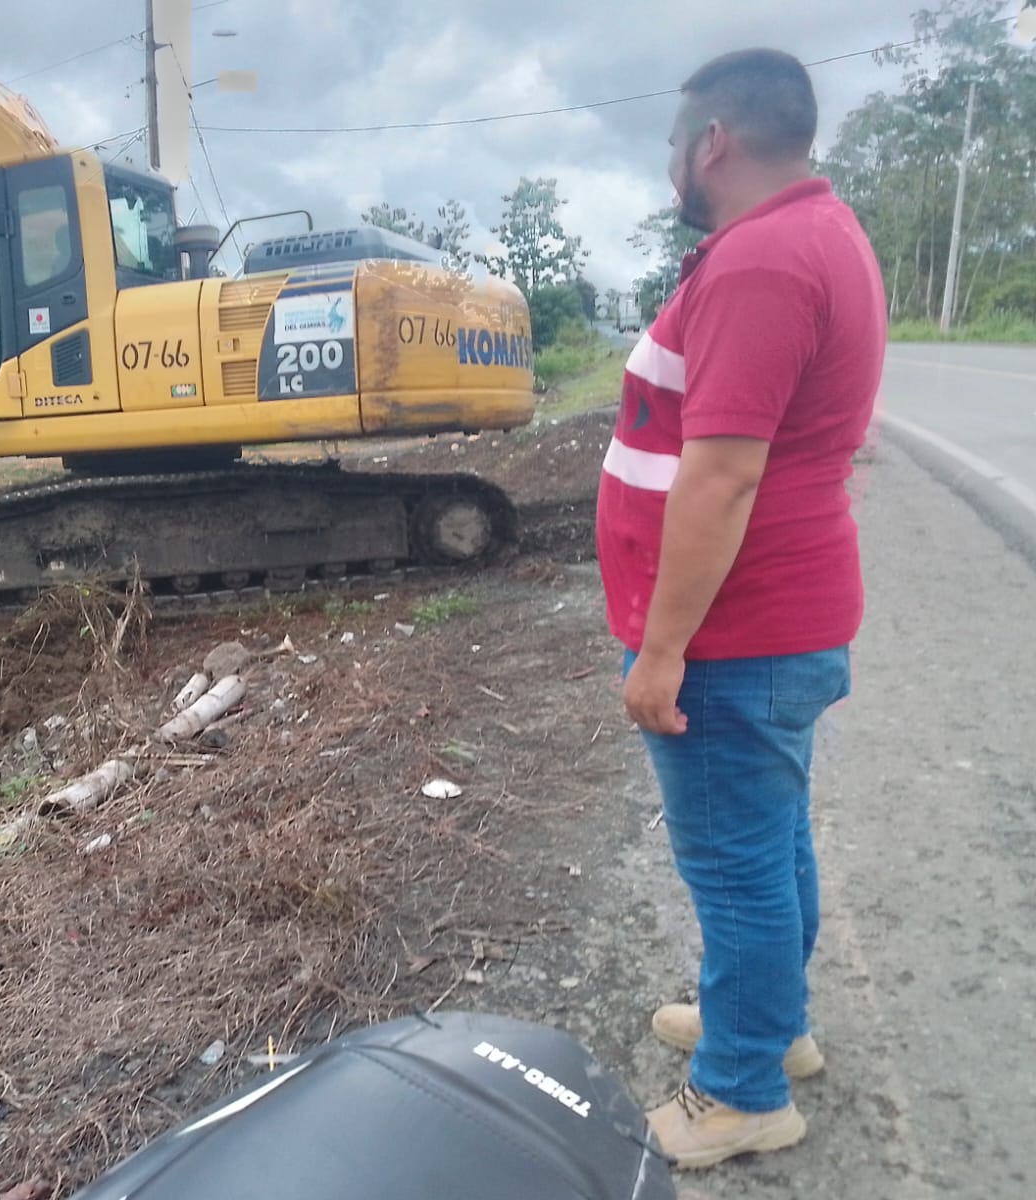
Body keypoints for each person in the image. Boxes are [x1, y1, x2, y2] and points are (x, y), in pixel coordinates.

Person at [594, 49, 886, 1169]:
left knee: (736, 863)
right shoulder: (815, 233)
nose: (670, 164)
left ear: (711, 142)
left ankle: (741, 1090)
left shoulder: (762, 261)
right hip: (775, 620)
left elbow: (721, 477)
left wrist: (661, 650)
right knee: (768, 839)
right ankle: (770, 1025)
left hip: (736, 630)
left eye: (675, 143)